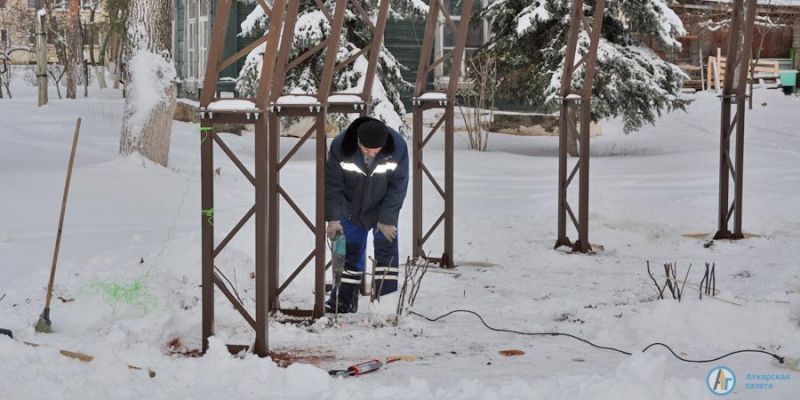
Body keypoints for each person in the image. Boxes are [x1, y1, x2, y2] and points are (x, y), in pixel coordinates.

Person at [325, 116, 409, 313]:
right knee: (345, 252)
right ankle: (342, 301)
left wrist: (387, 219)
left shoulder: (397, 147)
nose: (371, 154)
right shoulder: (340, 146)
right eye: (366, 150)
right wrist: (333, 219)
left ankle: (384, 305)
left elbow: (399, 186)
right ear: (358, 142)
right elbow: (333, 186)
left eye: (376, 151)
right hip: (350, 208)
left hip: (383, 208)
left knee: (386, 253)